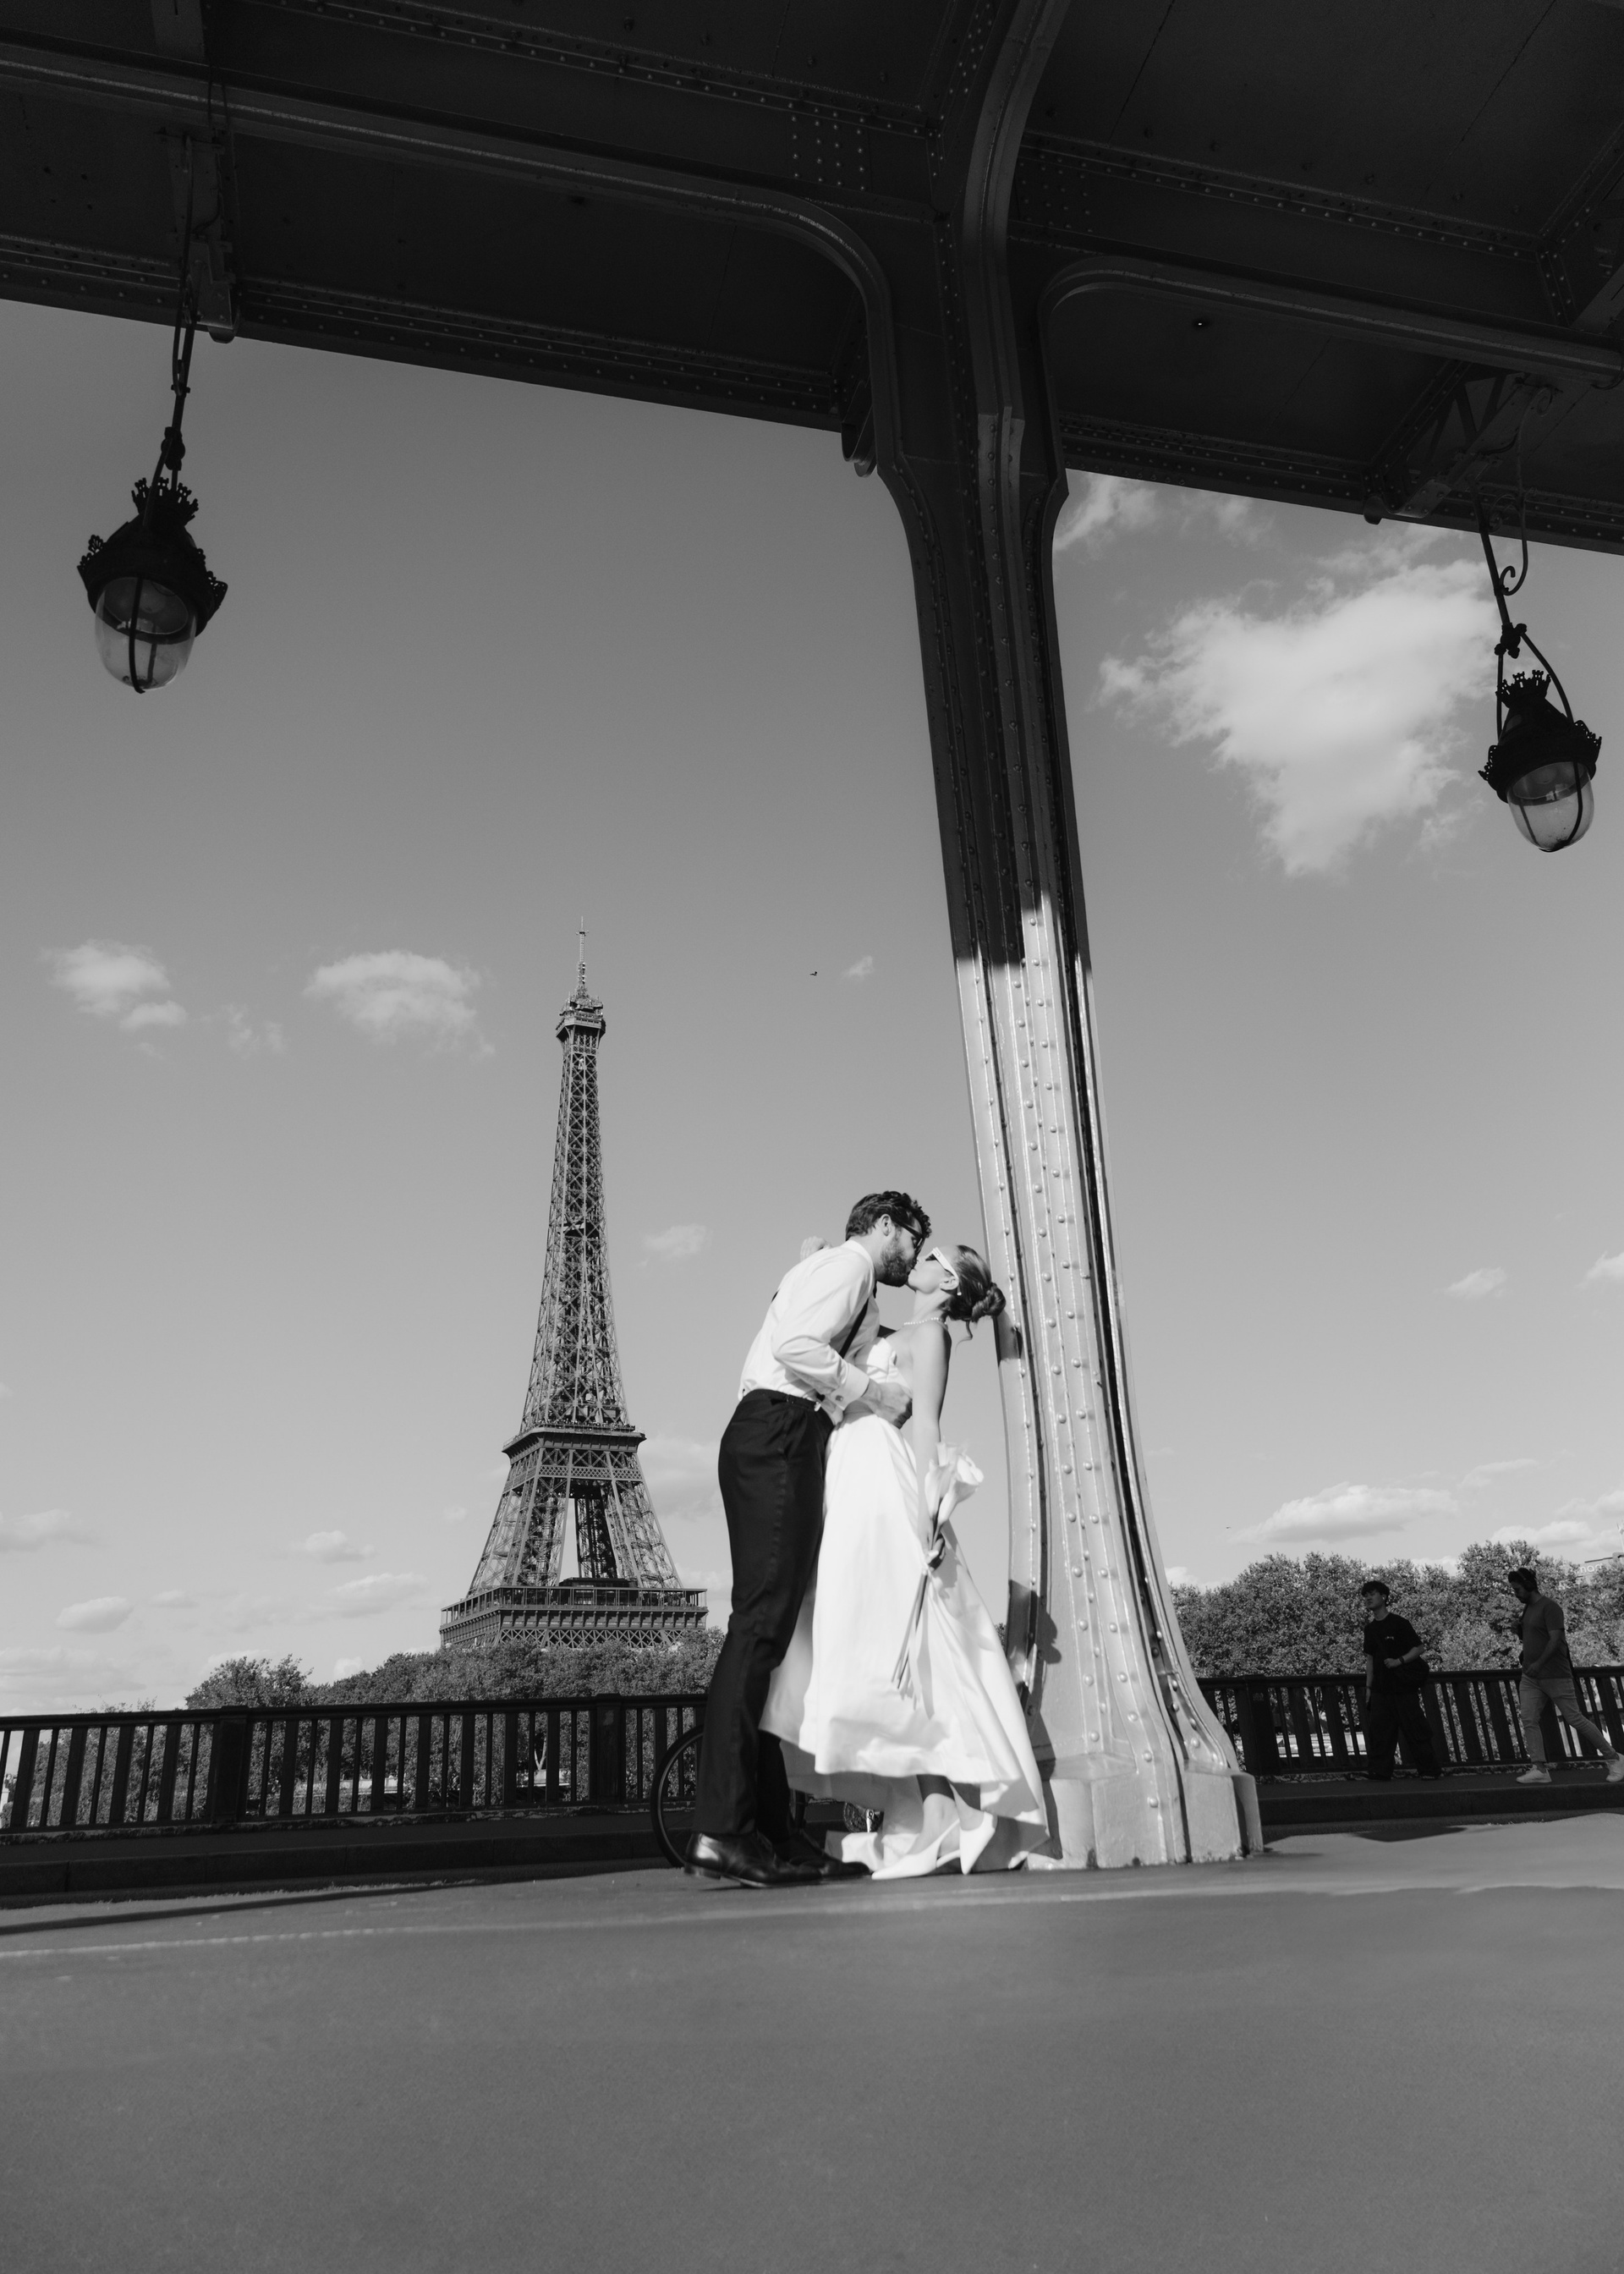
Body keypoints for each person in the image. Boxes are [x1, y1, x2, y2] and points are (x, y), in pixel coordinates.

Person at [763, 1242, 1049, 1876]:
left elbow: (925, 1424)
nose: (919, 1257)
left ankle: (950, 1810)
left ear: (948, 1282)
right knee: (871, 1637)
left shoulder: (933, 1337)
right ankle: (939, 1810)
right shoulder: (890, 1329)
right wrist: (809, 1264)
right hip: (849, 1472)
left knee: (901, 1640)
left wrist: (926, 1508)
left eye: (934, 1256)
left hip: (882, 1479)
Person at [685, 1191, 930, 1889]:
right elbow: (795, 1344)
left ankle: (771, 1831)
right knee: (761, 1631)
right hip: (781, 1432)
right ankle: (724, 1829)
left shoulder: (838, 1274)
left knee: (770, 1636)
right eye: (912, 1239)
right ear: (884, 1226)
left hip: (776, 1433)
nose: (913, 1254)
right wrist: (876, 1395)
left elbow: (791, 1320)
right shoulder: (850, 1267)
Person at [1506, 1567, 1624, 1786]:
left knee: (1574, 1719)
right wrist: (1519, 1630)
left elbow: (1556, 1640)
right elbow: (1534, 1637)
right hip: (1531, 1677)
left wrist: (1539, 1663)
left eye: (1518, 1589)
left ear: (1529, 1586)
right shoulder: (1528, 1610)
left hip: (1555, 1675)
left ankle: (1614, 1758)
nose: (1516, 1594)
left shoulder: (1550, 1607)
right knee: (1528, 1719)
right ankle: (1539, 1769)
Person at [1359, 1579, 1443, 1782]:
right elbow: (1370, 1659)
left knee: (1415, 1728)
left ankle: (1429, 1770)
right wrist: (1369, 1688)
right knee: (1380, 1732)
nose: (1368, 1598)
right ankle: (1380, 1771)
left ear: (1384, 1597)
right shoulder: (1369, 1630)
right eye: (1365, 1595)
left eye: (1372, 1594)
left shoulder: (1399, 1623)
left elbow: (1419, 1648)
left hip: (1402, 1687)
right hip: (1380, 1689)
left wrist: (1399, 1661)